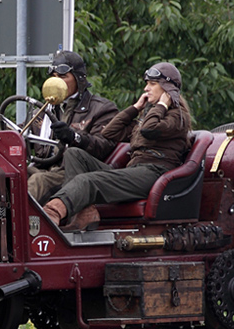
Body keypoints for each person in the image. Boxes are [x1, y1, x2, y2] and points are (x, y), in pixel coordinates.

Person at [42, 62, 192, 232]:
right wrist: (135, 108)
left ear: (166, 88)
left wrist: (162, 104)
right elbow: (109, 133)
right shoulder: (149, 116)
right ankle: (85, 213)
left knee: (87, 181)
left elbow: (149, 130)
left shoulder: (177, 117)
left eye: (152, 84)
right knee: (74, 154)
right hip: (135, 170)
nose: (146, 89)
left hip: (154, 173)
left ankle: (51, 214)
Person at [27, 50, 119, 203]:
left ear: (78, 79)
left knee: (38, 180)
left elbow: (103, 145)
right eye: (54, 77)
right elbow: (19, 133)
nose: (57, 82)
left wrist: (74, 136)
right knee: (7, 176)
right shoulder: (42, 111)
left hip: (72, 173)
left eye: (63, 76)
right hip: (42, 167)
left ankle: (16, 225)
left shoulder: (101, 109)